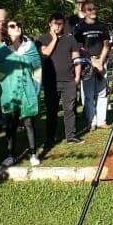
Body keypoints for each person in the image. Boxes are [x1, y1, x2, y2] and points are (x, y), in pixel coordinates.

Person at [0, 20, 43, 167]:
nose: (17, 27)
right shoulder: (2, 50)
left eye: (18, 25)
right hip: (9, 92)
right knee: (10, 124)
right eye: (12, 26)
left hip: (27, 89)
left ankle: (33, 153)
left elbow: (37, 68)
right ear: (7, 31)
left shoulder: (30, 47)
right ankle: (10, 155)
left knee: (29, 123)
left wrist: (36, 89)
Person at [37, 13, 81, 148]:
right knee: (52, 111)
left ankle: (71, 136)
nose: (58, 26)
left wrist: (77, 77)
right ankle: (50, 138)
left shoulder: (70, 39)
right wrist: (54, 39)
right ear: (50, 24)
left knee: (70, 109)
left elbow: (77, 59)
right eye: (55, 23)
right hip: (51, 81)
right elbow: (45, 55)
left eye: (61, 23)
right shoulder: (42, 39)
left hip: (69, 81)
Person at [74, 0, 111, 131]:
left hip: (101, 62)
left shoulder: (102, 26)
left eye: (94, 9)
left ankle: (102, 120)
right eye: (90, 9)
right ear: (84, 12)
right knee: (89, 95)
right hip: (87, 64)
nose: (93, 11)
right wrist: (92, 61)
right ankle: (91, 121)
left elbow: (106, 44)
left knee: (102, 93)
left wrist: (100, 61)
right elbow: (78, 47)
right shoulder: (79, 28)